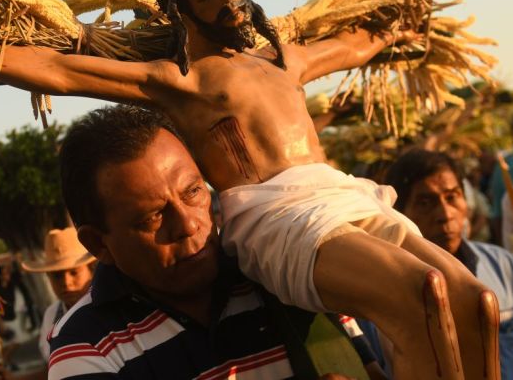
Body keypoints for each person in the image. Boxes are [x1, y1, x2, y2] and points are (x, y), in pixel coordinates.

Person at [0, 0, 498, 377]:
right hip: (278, 217)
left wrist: (401, 29)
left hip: (344, 194)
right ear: (182, 5)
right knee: (423, 292)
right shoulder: (179, 81)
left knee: (474, 301)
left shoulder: (281, 59)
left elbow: (356, 47)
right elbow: (57, 67)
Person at [43, 104, 385, 379]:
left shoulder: (279, 268)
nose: (189, 224)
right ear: (98, 244)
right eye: (152, 217)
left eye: (193, 192)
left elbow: (369, 368)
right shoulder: (86, 348)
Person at [385, 149, 513, 379]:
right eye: (425, 202)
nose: (445, 214)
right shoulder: (386, 290)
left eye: (452, 197)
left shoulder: (502, 264)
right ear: (399, 214)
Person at [21, 227, 96, 363]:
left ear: (91, 270)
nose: (66, 283)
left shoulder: (111, 306)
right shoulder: (51, 316)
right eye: (57, 276)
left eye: (74, 273)